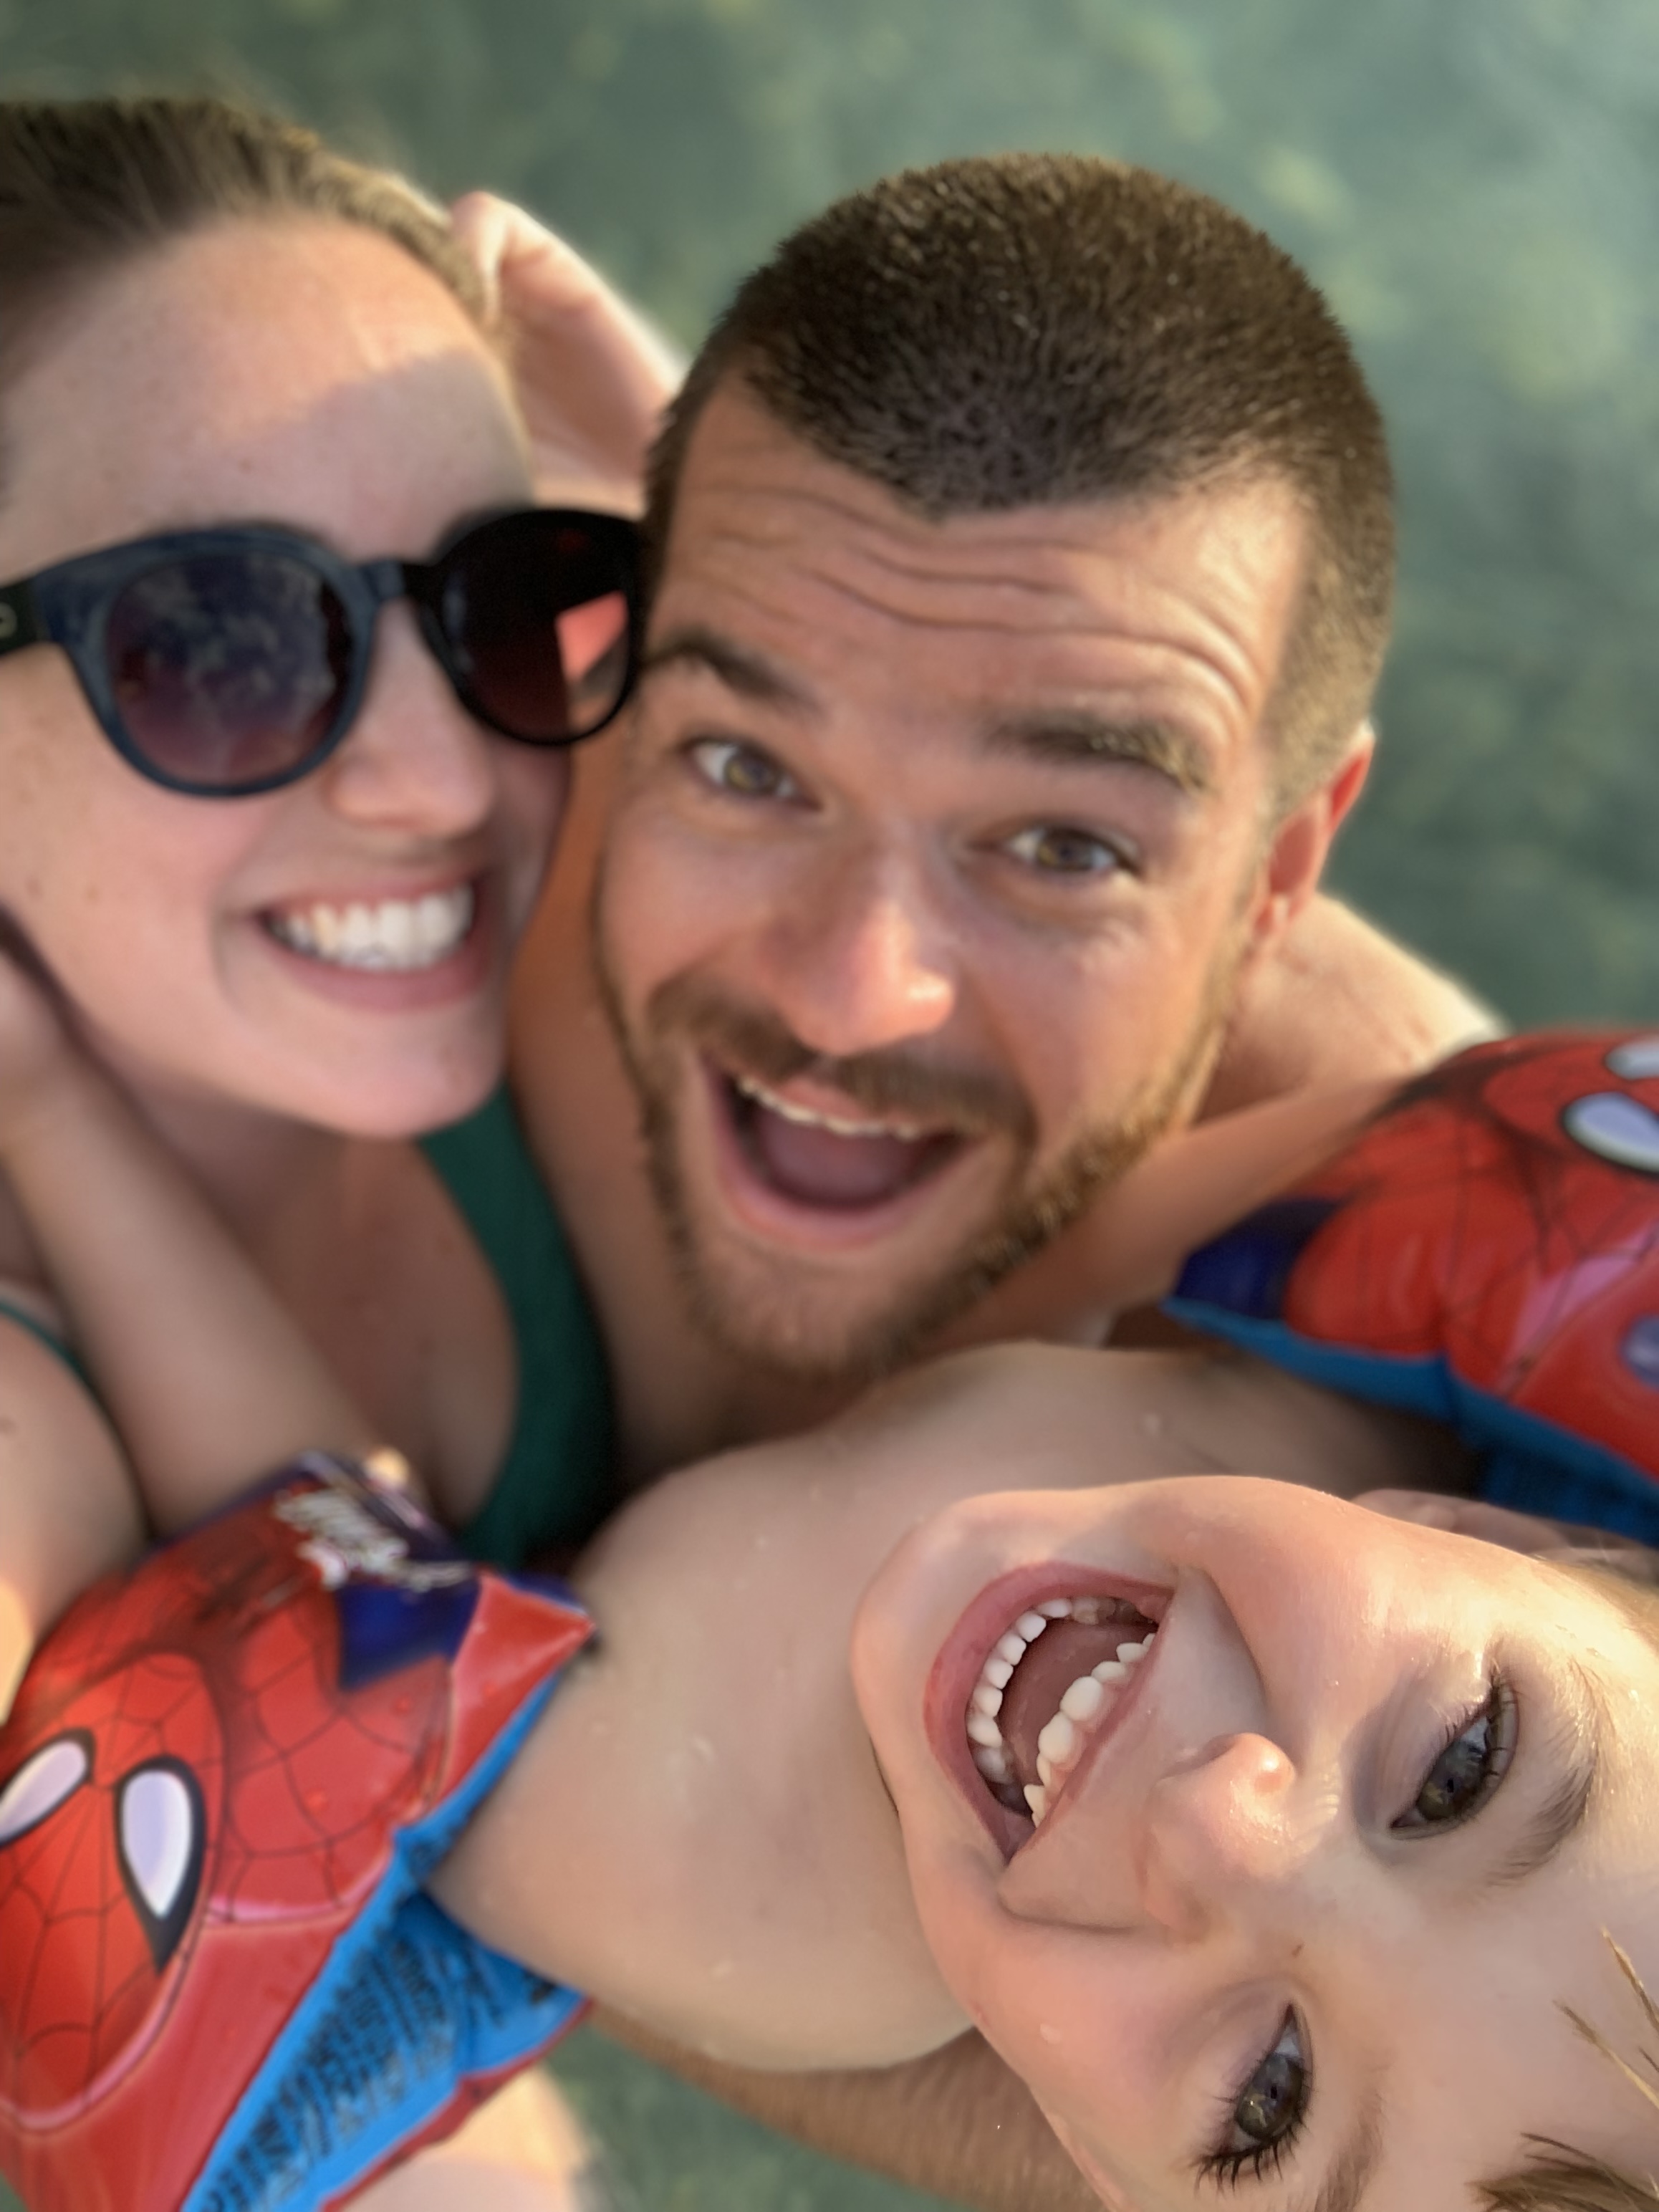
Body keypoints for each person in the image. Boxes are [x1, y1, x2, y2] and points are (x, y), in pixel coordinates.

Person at [1, 945, 1656, 2212]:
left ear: (1093, 2161)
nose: (1219, 1829)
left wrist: (45, 1105)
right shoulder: (1397, 1310)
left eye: (1270, 2095)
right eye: (1460, 1762)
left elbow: (323, 1582)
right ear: (1524, 1541)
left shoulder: (717, 1878)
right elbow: (1097, 1238)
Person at [0, 90, 653, 2210]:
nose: (439, 777)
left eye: (502, 596)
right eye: (214, 639)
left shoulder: (612, 917)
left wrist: (782, 608)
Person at [495, 152, 1499, 1485]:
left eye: (1063, 850)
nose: (847, 1000)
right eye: (748, 766)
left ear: (1283, 870)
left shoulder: (1409, 1302)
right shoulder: (459, 817)